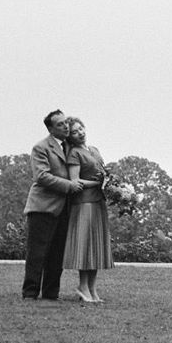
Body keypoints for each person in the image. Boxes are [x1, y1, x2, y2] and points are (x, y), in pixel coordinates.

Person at [21, 110, 83, 300]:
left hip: (64, 208)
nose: (65, 126)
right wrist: (69, 185)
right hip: (42, 207)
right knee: (37, 253)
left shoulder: (70, 147)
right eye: (60, 125)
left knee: (57, 254)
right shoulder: (41, 148)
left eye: (66, 123)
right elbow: (41, 176)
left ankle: (50, 294)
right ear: (50, 129)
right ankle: (30, 293)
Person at [62, 117, 114, 302]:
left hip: (98, 202)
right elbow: (75, 180)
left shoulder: (94, 150)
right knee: (85, 245)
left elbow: (104, 172)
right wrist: (97, 184)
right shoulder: (74, 154)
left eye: (81, 128)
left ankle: (92, 288)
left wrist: (110, 184)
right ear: (70, 137)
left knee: (96, 246)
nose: (80, 132)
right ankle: (82, 287)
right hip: (84, 203)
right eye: (75, 131)